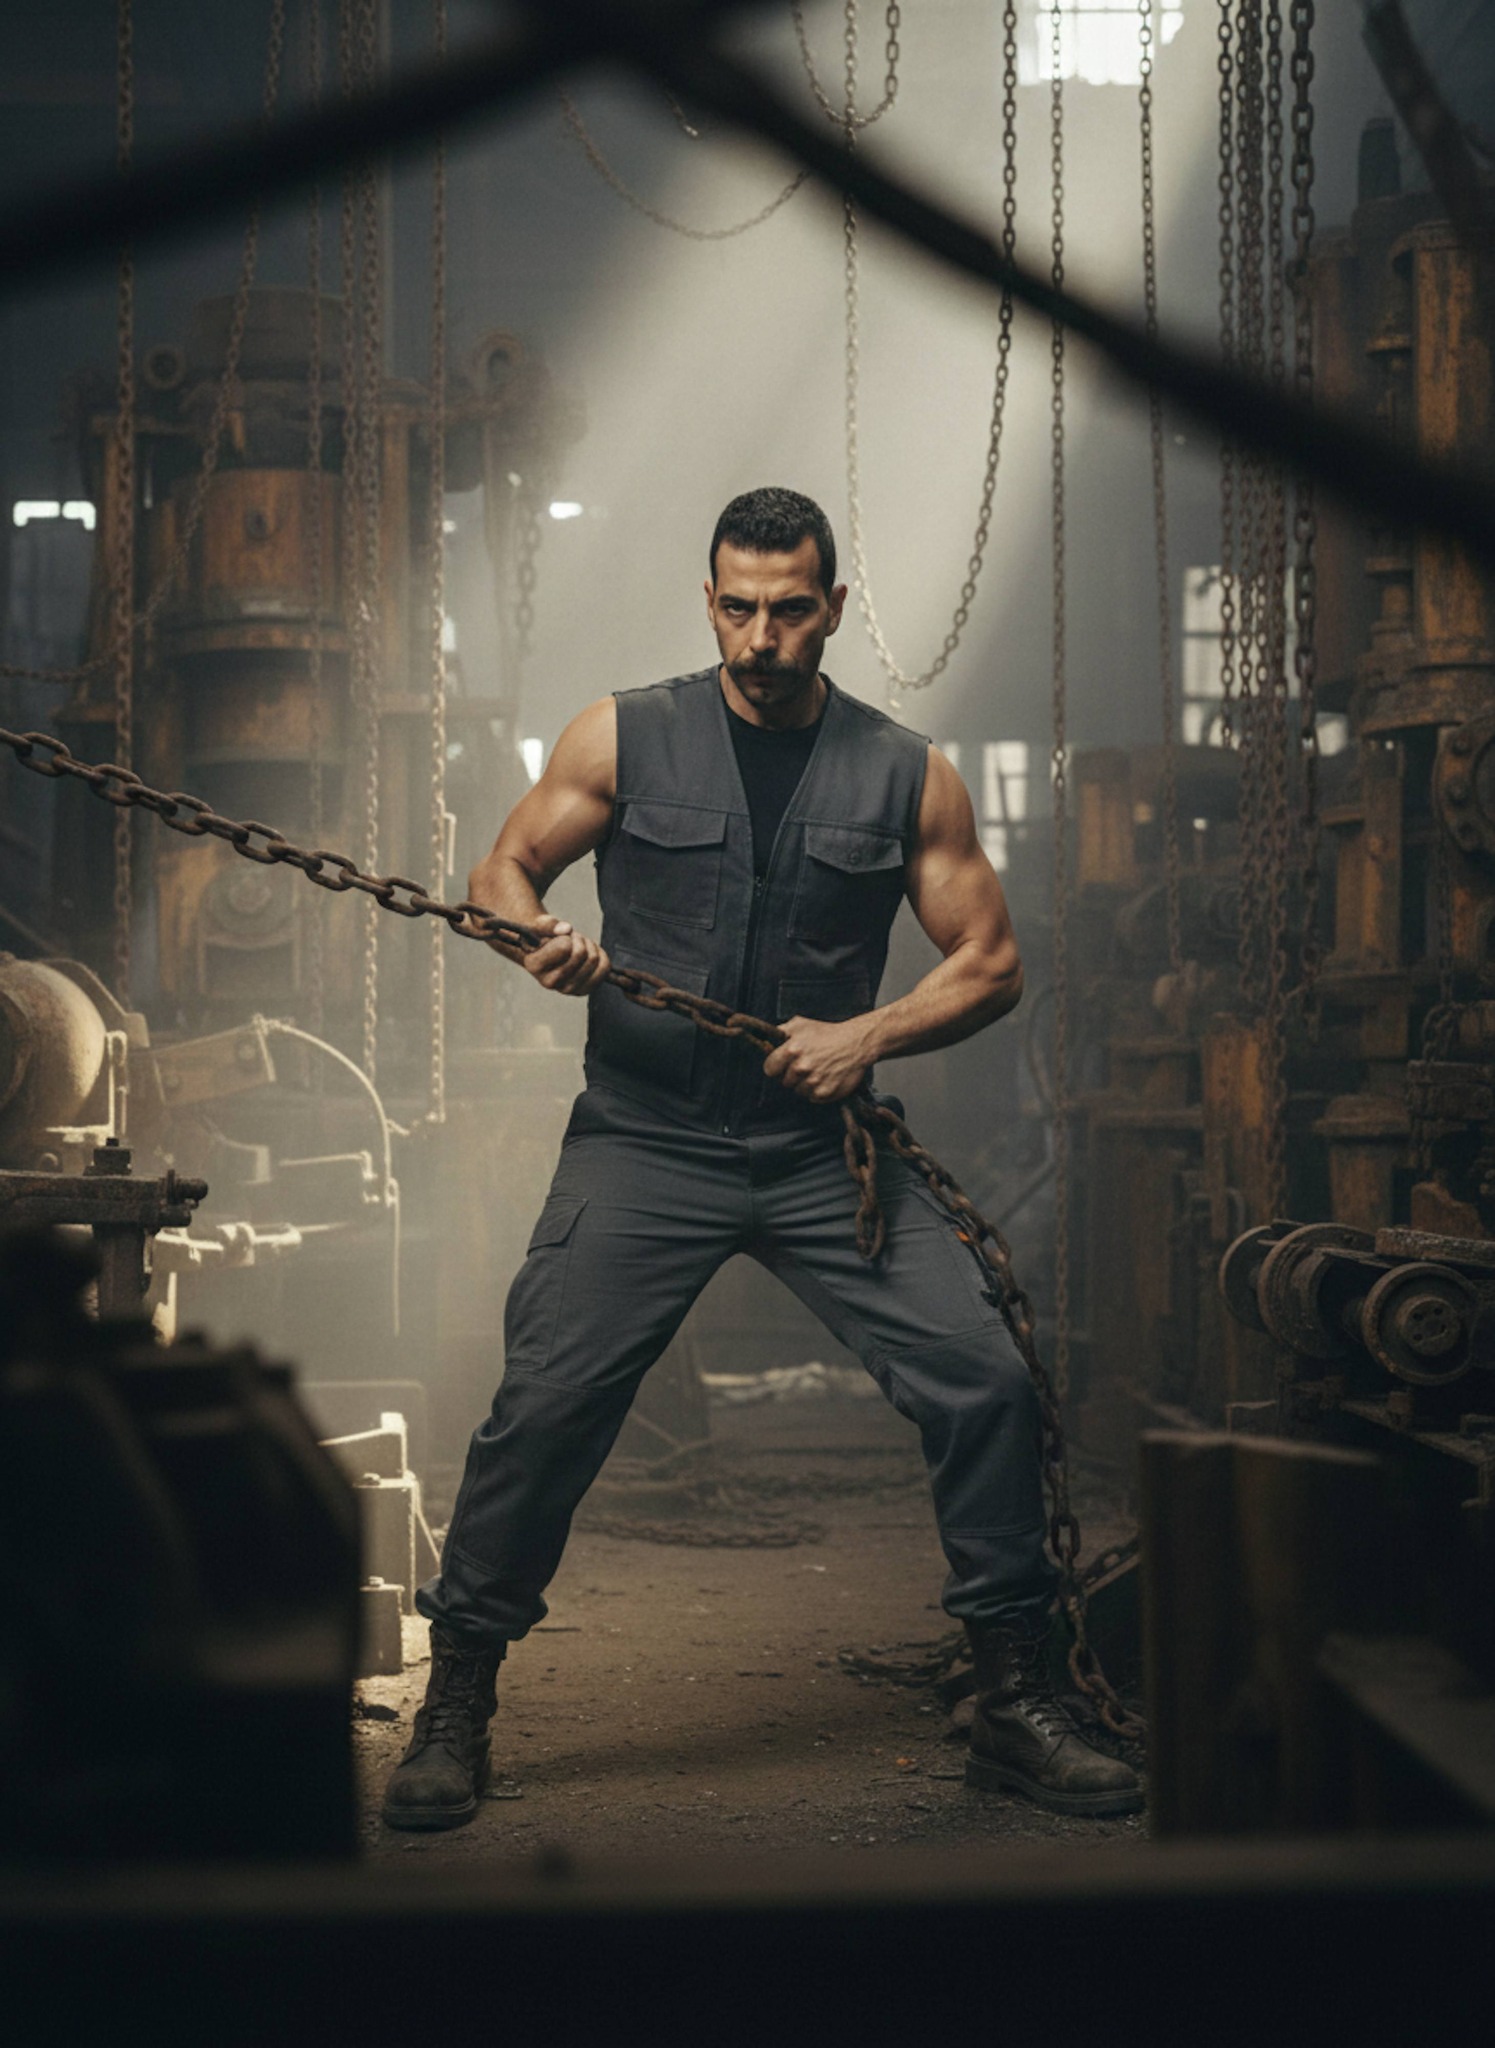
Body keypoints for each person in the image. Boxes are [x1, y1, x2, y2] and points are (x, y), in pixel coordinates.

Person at [382, 486, 1140, 1830]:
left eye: (791, 610)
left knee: (982, 1380)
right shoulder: (622, 734)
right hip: (646, 1138)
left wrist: (870, 1035)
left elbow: (994, 963)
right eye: (737, 606)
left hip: (818, 1152)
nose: (760, 637)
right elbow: (502, 870)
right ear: (711, 601)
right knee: (544, 1407)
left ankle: (1018, 1697)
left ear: (832, 610)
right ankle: (460, 1700)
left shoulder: (908, 771)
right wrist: (533, 942)